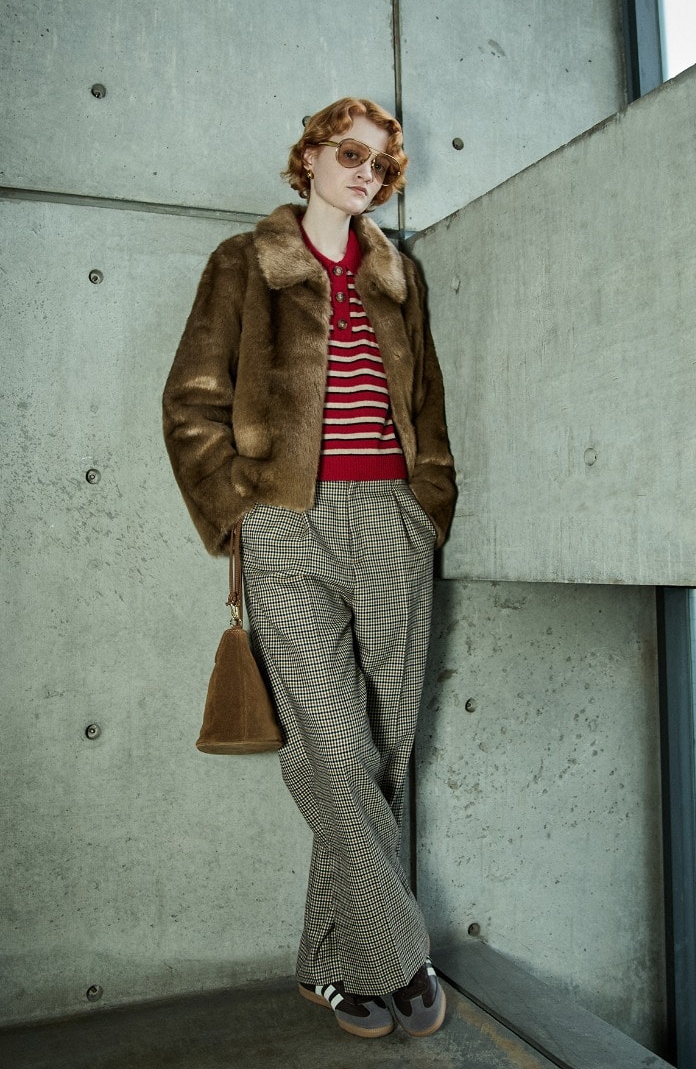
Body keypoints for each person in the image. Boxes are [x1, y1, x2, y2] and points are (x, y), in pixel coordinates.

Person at [162, 97, 456, 1039]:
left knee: (387, 748)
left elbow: (427, 405)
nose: (366, 173)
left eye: (382, 165)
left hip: (393, 522)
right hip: (286, 524)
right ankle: (399, 957)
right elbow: (191, 402)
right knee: (330, 749)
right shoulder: (244, 263)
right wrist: (243, 512)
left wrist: (427, 505)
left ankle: (330, 966)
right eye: (350, 154)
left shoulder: (398, 276)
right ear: (312, 158)